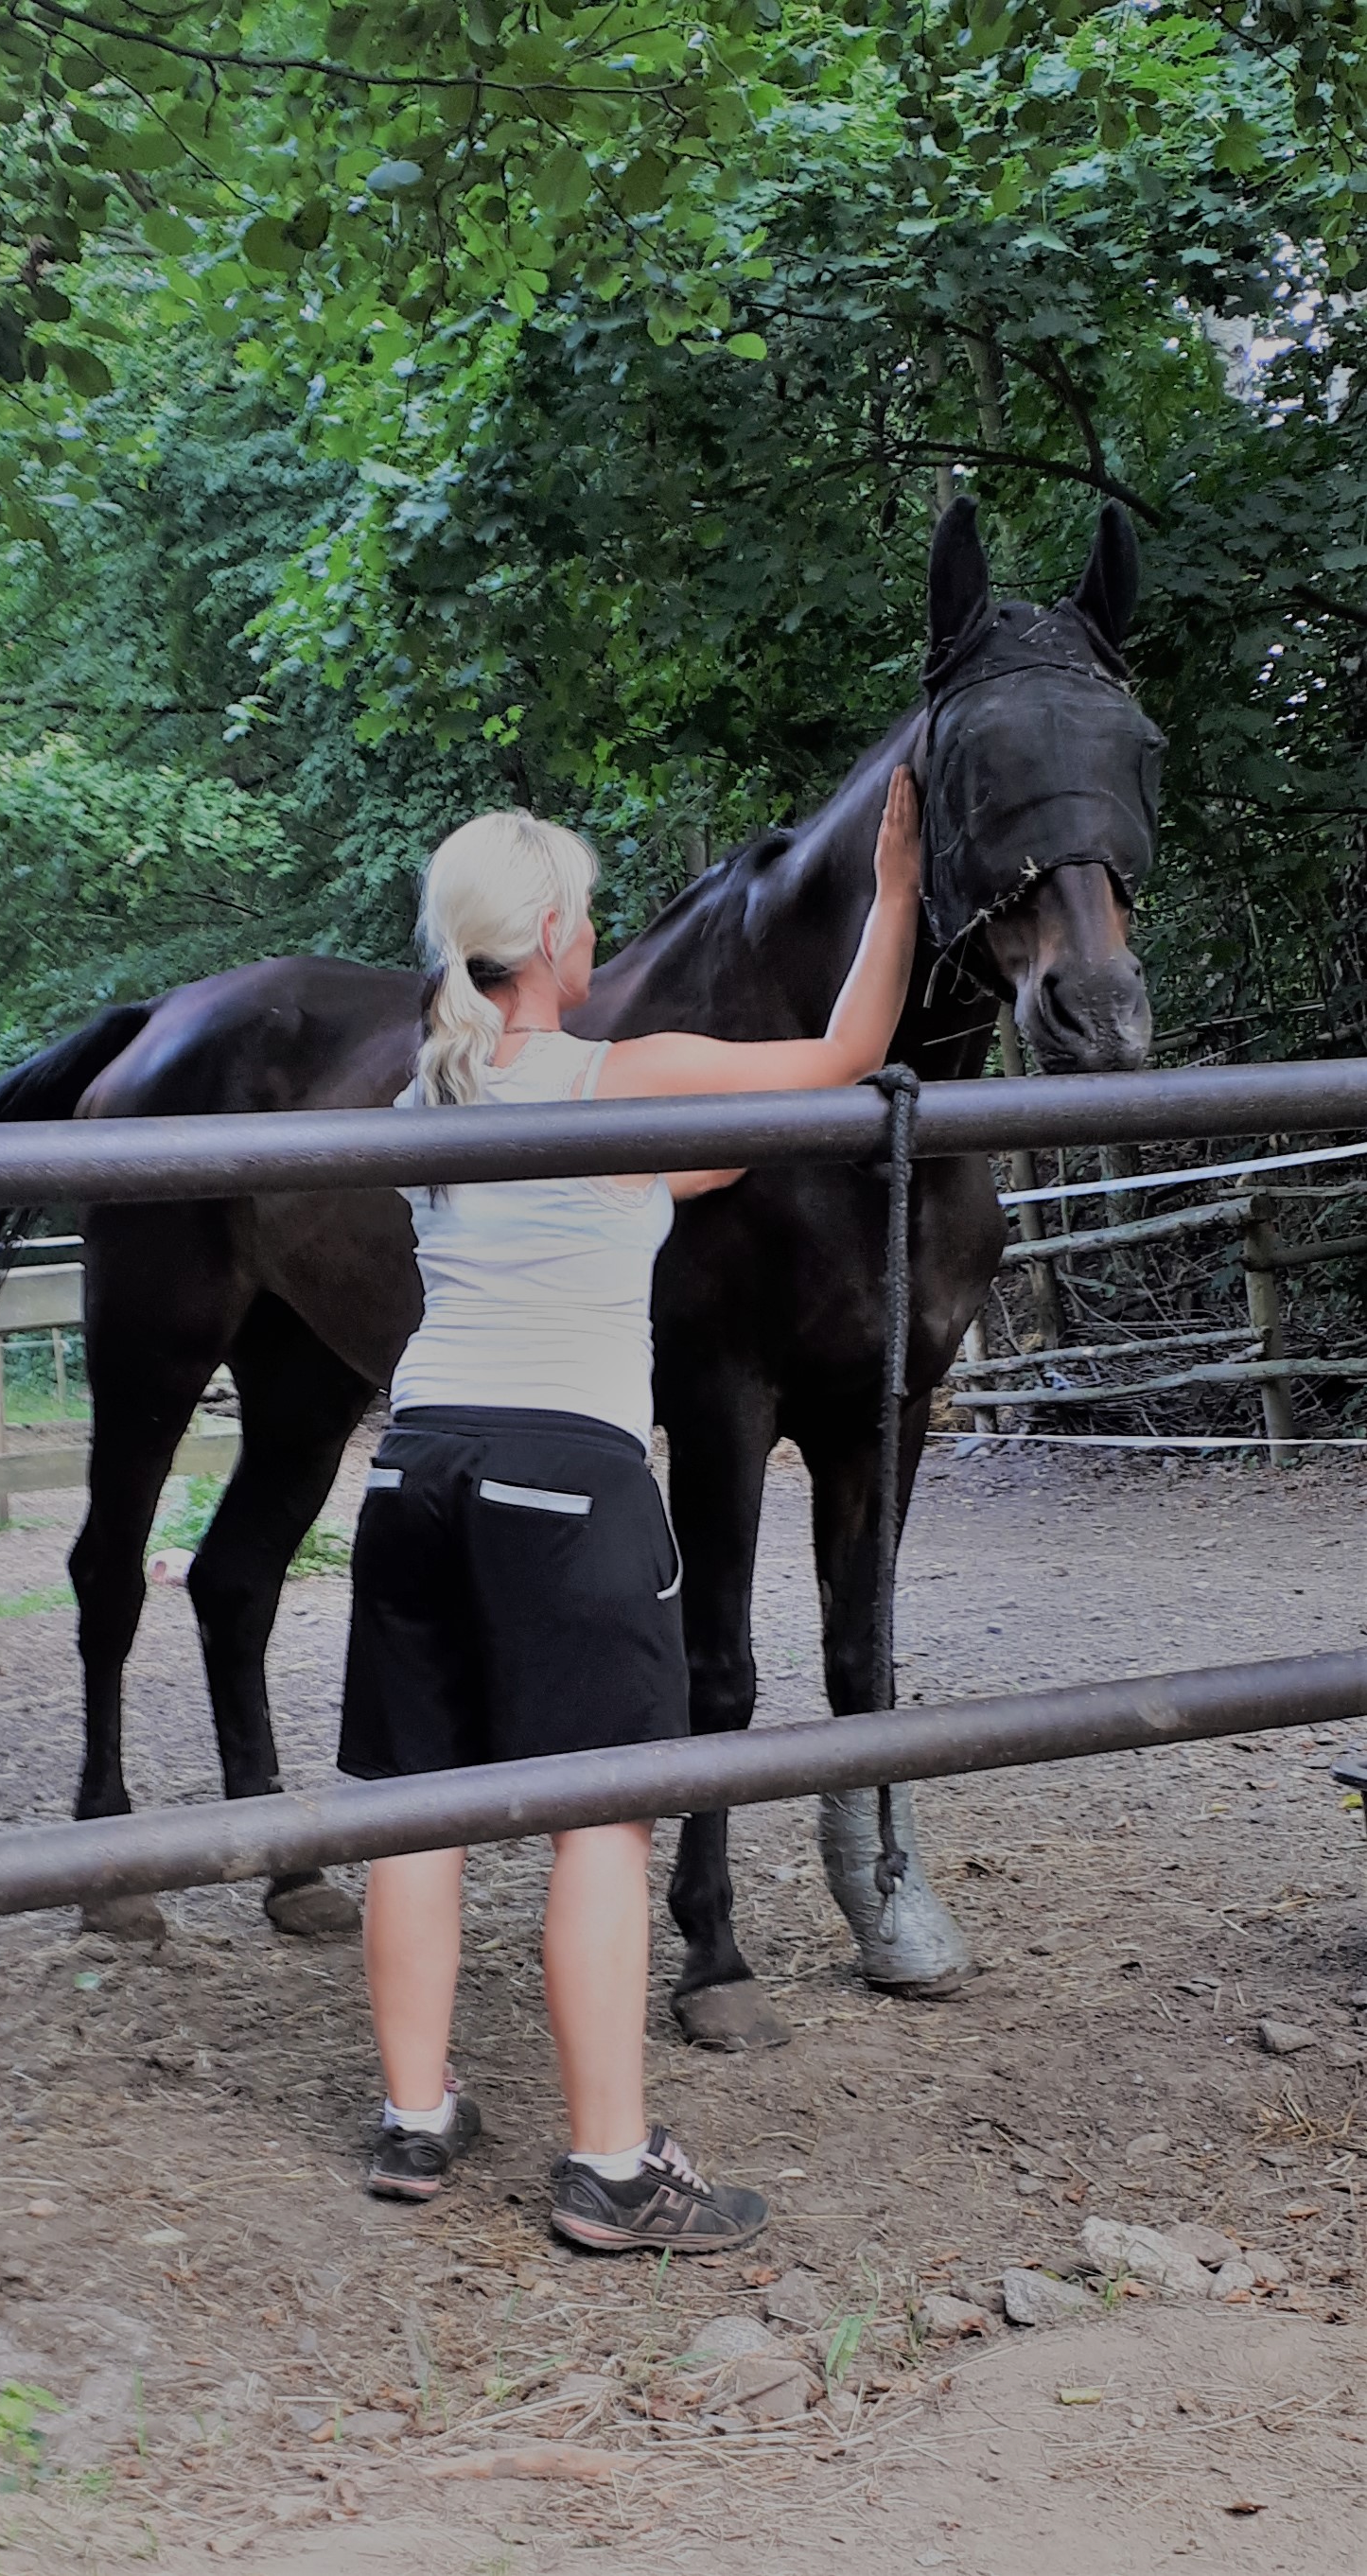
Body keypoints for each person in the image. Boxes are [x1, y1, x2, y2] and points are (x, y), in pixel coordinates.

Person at [340, 767, 924, 2252]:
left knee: (413, 1815)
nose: (597, 936)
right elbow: (851, 1051)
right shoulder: (618, 1072)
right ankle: (608, 2166)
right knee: (599, 1826)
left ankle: (414, 2119)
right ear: (550, 937)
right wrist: (896, 890)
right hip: (563, 1481)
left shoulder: (426, 1091)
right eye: (587, 915)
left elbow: (680, 1168)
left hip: (414, 1472)